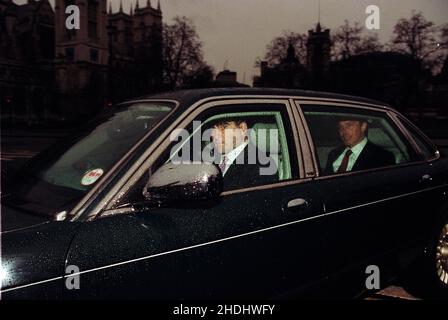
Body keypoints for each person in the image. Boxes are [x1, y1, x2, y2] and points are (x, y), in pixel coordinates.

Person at [210, 119, 278, 190]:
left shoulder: (262, 165)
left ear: (243, 129)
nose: (214, 136)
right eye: (212, 129)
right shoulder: (214, 160)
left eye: (223, 127)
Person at [324, 117, 395, 175]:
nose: (344, 132)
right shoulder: (333, 154)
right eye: (340, 127)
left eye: (349, 125)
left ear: (363, 126)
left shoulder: (382, 157)